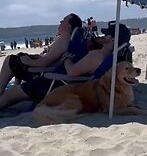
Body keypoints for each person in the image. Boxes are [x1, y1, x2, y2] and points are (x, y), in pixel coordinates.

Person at [0, 23, 131, 110]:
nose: (103, 36)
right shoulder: (108, 57)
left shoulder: (97, 55)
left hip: (54, 85)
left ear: (112, 39)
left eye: (106, 34)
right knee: (13, 94)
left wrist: (67, 59)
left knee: (10, 95)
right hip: (62, 84)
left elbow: (72, 72)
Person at [0, 13, 83, 95]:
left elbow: (45, 63)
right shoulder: (67, 40)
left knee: (10, 60)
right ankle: (14, 89)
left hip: (40, 73)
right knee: (19, 56)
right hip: (45, 70)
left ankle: (2, 90)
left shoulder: (63, 41)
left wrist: (27, 61)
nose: (60, 21)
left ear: (69, 26)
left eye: (63, 20)